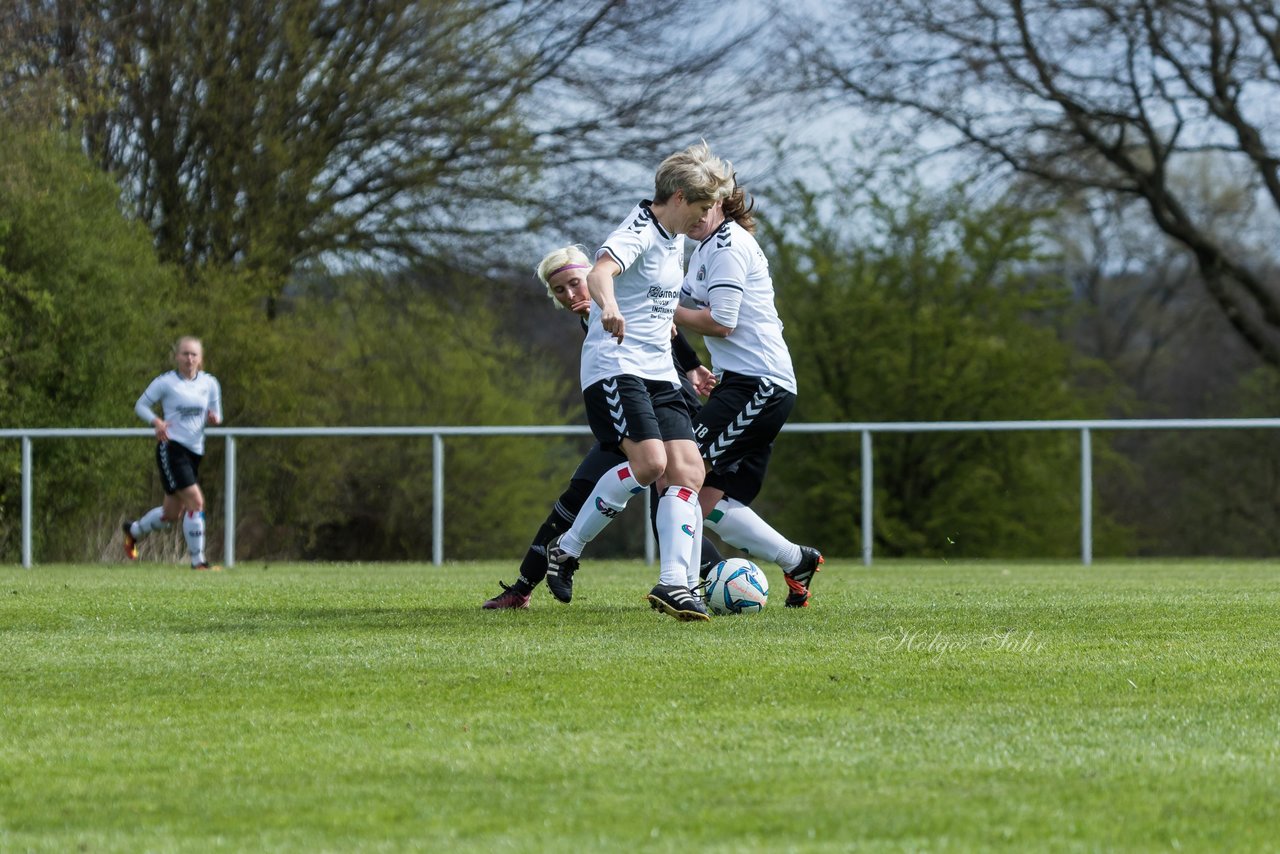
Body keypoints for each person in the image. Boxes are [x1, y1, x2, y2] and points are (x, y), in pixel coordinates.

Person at [543, 141, 734, 621]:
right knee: (650, 465)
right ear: (675, 197)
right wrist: (607, 305)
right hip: (616, 367)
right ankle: (565, 548)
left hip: (657, 372)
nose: (707, 215)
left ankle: (674, 584)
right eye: (702, 206)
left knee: (688, 472)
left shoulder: (675, 240)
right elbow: (601, 272)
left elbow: (663, 313)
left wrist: (689, 365)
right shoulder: (640, 230)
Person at [482, 246, 723, 609]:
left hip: (665, 409)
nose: (570, 295)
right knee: (576, 498)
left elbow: (668, 326)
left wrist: (691, 367)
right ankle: (522, 588)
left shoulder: (616, 295)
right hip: (630, 412)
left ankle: (711, 577)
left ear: (594, 276)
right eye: (559, 290)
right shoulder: (593, 316)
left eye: (575, 283)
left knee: (671, 495)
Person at [676, 186, 824, 606]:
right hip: (742, 384)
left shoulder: (728, 244)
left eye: (699, 203)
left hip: (758, 385)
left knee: (678, 478)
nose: (691, 213)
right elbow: (683, 304)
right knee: (702, 499)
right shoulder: (705, 248)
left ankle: (685, 589)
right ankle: (796, 559)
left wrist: (662, 307)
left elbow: (722, 321)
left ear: (718, 203)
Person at [121, 336, 223, 570]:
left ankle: (133, 531)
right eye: (185, 353)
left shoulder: (209, 383)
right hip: (172, 448)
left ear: (200, 358)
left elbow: (217, 414)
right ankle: (199, 563)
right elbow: (140, 406)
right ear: (177, 356)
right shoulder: (166, 382)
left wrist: (213, 418)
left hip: (195, 452)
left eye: (194, 354)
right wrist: (156, 421)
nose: (189, 358)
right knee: (196, 503)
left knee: (171, 514)